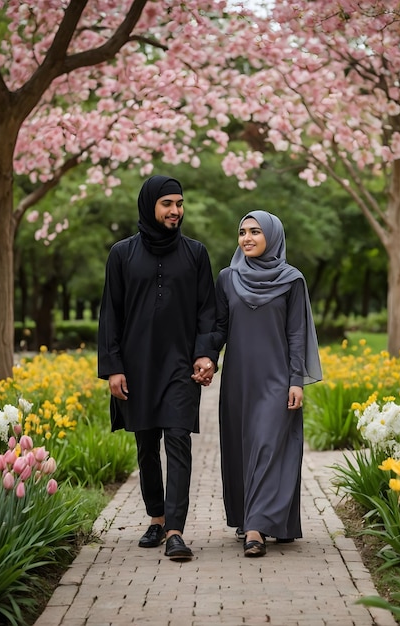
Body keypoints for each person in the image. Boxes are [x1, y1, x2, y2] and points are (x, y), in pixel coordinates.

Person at [97, 174, 218, 562]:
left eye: (180, 204)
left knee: (178, 441)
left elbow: (207, 312)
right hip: (136, 367)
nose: (175, 211)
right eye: (168, 204)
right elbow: (110, 315)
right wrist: (114, 368)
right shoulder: (122, 254)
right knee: (146, 445)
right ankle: (156, 517)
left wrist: (206, 354)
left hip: (181, 367)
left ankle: (175, 532)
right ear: (150, 204)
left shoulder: (196, 254)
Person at [210, 210, 322, 558]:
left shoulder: (292, 280)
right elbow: (219, 327)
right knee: (244, 450)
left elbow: (296, 334)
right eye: (242, 232)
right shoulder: (228, 279)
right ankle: (261, 519)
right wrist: (205, 357)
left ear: (272, 236)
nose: (247, 238)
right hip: (238, 381)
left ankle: (256, 528)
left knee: (268, 447)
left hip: (276, 380)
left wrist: (295, 380)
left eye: (255, 232)